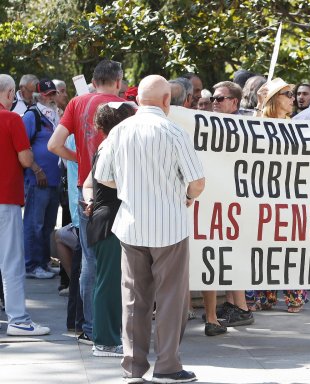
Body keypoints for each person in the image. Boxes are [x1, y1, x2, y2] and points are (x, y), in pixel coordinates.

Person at [94, 75, 204, 383]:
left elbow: (102, 176)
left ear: (139, 99)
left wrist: (129, 188)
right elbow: (197, 182)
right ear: (167, 100)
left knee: (133, 299)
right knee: (171, 298)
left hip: (131, 225)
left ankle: (133, 367)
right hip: (170, 224)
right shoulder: (174, 132)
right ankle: (168, 365)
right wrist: (185, 196)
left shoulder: (118, 131)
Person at [47, 59, 125, 346]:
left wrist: (80, 159)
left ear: (93, 80)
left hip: (87, 188)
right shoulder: (125, 108)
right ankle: (114, 326)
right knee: (122, 258)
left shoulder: (77, 104)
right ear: (118, 81)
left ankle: (91, 326)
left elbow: (53, 145)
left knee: (90, 260)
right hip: (121, 189)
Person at [250, 77, 309, 312]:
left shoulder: (295, 125)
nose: (293, 99)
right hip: (264, 193)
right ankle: (265, 296)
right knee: (263, 245)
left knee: (289, 245)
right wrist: (258, 107)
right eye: (288, 94)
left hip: (290, 193)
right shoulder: (260, 123)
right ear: (275, 99)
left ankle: (294, 296)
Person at [201, 80, 255, 336]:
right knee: (225, 253)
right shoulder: (212, 124)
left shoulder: (244, 125)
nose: (214, 102)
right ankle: (234, 304)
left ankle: (241, 307)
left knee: (234, 252)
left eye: (219, 98)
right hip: (219, 201)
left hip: (238, 202)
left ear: (234, 102)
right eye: (213, 98)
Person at [82, 102, 136, 357]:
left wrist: (92, 201)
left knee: (110, 282)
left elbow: (88, 184)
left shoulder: (107, 146)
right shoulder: (113, 147)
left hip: (107, 220)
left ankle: (108, 337)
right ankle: (104, 341)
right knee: (109, 283)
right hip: (110, 222)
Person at [0, 73, 51, 336]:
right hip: (5, 198)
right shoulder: (11, 119)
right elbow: (24, 158)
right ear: (10, 94)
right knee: (11, 261)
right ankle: (18, 319)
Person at [22, 79, 61, 280]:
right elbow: (22, 147)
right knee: (33, 224)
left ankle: (43, 263)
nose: (52, 97)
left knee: (47, 225)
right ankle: (31, 265)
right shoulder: (32, 116)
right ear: (39, 96)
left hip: (53, 180)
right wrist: (37, 170)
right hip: (38, 180)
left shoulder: (54, 115)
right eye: (48, 94)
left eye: (53, 93)